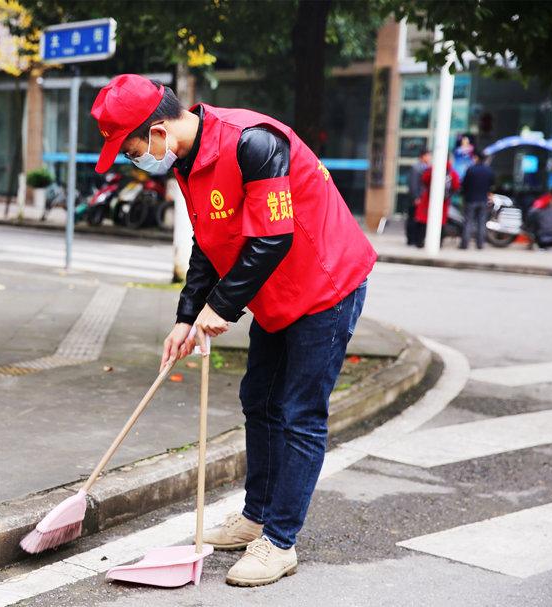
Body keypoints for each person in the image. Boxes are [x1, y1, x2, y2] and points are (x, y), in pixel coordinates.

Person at [90, 75, 376, 587]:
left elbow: (272, 238)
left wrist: (219, 307)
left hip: (325, 285)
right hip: (274, 295)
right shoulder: (185, 160)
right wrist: (185, 316)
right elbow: (209, 242)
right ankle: (256, 517)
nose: (138, 161)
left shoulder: (253, 143)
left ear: (157, 130)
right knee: (259, 400)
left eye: (133, 150)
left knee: (299, 413)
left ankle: (280, 542)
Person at [414, 159, 460, 248]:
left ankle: (419, 242)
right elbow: (456, 185)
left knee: (424, 221)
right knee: (441, 223)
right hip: (444, 202)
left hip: (429, 200)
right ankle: (439, 243)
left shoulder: (433, 169)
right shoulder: (452, 172)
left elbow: (424, 180)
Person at [459, 150, 495, 249]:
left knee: (468, 222)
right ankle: (480, 244)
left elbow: (464, 184)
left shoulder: (471, 169)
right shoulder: (488, 170)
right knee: (481, 222)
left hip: (470, 199)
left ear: (477, 158)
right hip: (483, 199)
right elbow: (492, 185)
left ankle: (465, 244)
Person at [407, 148, 430, 246]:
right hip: (416, 198)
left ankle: (417, 239)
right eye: (428, 155)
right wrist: (416, 197)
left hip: (423, 199)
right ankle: (411, 239)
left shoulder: (427, 167)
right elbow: (413, 184)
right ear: (423, 156)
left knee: (419, 219)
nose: (429, 157)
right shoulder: (416, 167)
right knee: (413, 219)